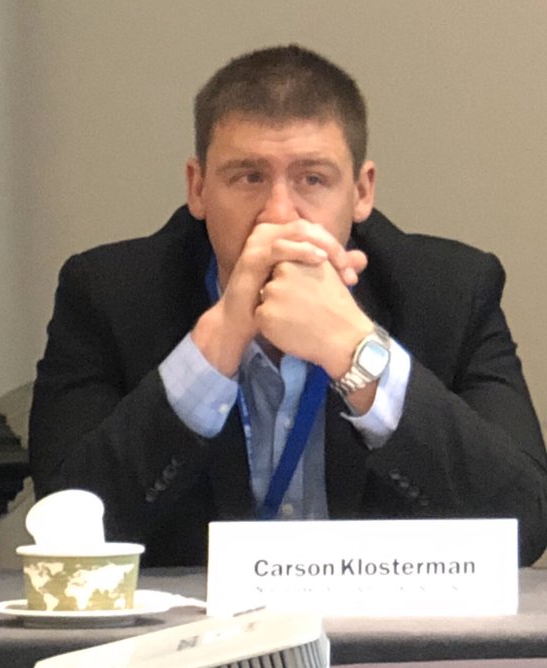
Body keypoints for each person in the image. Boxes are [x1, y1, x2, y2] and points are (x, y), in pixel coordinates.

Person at [29, 44, 547, 567]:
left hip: (379, 620)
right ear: (198, 187)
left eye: (312, 179)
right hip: (189, 622)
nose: (279, 214)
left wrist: (355, 353)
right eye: (249, 177)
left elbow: (524, 526)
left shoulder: (450, 292)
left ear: (361, 192)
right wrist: (209, 353)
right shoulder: (108, 295)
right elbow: (62, 533)